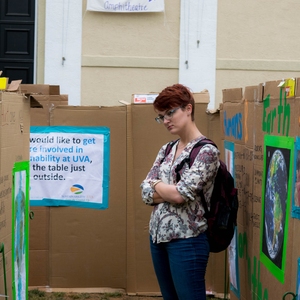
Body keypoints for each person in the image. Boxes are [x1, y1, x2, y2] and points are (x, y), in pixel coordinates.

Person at [140, 83, 220, 300]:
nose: (166, 120)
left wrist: (156, 184)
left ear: (188, 109)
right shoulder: (166, 149)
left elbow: (181, 195)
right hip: (157, 239)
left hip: (188, 241)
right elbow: (144, 192)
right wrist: (159, 187)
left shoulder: (206, 151)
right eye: (161, 116)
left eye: (170, 113)